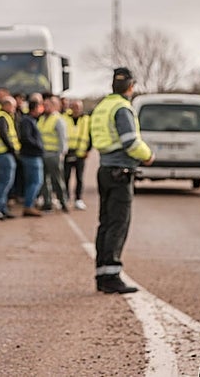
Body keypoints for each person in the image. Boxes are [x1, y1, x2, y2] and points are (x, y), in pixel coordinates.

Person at [90, 67, 154, 294]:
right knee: (118, 224)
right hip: (120, 171)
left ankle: (102, 274)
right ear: (131, 86)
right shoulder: (122, 108)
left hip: (105, 169)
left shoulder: (102, 107)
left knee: (105, 223)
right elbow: (130, 142)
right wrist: (148, 155)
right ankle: (112, 276)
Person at [0, 96, 20, 220]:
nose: (14, 108)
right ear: (6, 105)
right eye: (13, 106)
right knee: (5, 183)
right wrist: (11, 149)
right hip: (3, 153)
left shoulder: (3, 116)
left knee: (5, 183)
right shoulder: (2, 117)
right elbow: (4, 134)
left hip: (2, 153)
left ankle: (2, 208)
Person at [38, 96, 69, 212]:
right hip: (42, 154)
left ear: (54, 106)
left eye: (47, 105)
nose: (44, 107)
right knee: (44, 181)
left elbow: (63, 139)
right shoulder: (42, 119)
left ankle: (63, 201)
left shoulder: (58, 120)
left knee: (57, 180)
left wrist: (61, 154)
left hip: (53, 154)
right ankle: (47, 202)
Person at [18, 98, 45, 217]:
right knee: (36, 181)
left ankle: (30, 204)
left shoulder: (30, 120)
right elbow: (26, 137)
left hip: (31, 155)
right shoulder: (27, 121)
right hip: (31, 155)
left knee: (32, 182)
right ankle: (28, 206)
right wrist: (38, 145)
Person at [64, 99, 91, 210]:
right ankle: (65, 198)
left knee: (79, 177)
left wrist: (88, 150)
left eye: (78, 107)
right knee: (66, 176)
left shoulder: (87, 119)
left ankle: (78, 199)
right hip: (67, 152)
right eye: (74, 107)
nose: (77, 109)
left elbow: (91, 135)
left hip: (81, 153)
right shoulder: (64, 118)